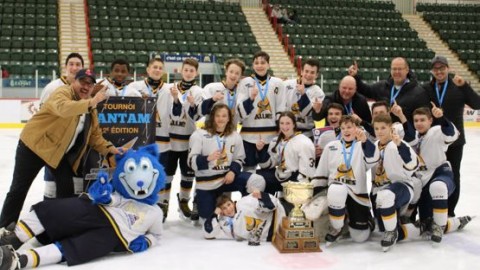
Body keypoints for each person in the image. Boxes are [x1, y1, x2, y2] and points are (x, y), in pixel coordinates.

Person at [0, 69, 123, 229]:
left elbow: (95, 137)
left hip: (57, 153)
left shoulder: (90, 110)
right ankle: (4, 228)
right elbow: (63, 108)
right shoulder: (62, 93)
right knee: (19, 189)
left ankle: (60, 226)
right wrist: (92, 102)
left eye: (90, 84)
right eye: (82, 82)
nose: (86, 87)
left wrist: (112, 149)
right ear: (74, 82)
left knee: (67, 188)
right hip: (33, 147)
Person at [422, 55, 480, 217]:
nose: (439, 71)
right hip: (434, 142)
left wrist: (465, 86)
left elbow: (477, 104)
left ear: (448, 69)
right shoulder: (427, 88)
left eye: (442, 68)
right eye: (436, 69)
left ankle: (450, 212)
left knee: (454, 175)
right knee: (431, 175)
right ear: (432, 71)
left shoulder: (458, 86)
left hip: (455, 142)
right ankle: (432, 210)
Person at [188, 103, 266, 223]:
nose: (220, 119)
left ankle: (244, 211)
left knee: (257, 180)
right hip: (207, 183)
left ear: (229, 118)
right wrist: (207, 158)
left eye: (224, 116)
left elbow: (239, 158)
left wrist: (233, 172)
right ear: (212, 117)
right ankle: (201, 201)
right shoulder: (199, 135)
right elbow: (190, 161)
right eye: (217, 116)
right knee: (207, 222)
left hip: (226, 178)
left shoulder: (235, 136)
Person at [314, 115, 375, 246]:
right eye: (343, 128)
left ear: (356, 128)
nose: (346, 130)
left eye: (349, 127)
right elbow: (321, 172)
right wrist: (315, 192)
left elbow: (373, 160)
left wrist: (365, 141)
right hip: (335, 190)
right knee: (337, 189)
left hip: (357, 194)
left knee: (360, 237)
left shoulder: (362, 145)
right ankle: (337, 227)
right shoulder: (331, 146)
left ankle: (363, 219)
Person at [127, 56, 173, 220]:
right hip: (142, 142)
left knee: (161, 175)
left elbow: (176, 114)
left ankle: (161, 205)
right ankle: (139, 206)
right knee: (141, 174)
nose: (157, 70)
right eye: (154, 67)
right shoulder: (134, 87)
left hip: (163, 142)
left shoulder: (170, 89)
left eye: (160, 67)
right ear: (147, 69)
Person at [365, 114, 419, 252]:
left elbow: (413, 165)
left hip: (402, 186)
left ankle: (391, 232)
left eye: (383, 128)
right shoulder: (374, 146)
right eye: (376, 128)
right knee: (383, 227)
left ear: (391, 128)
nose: (380, 131)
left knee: (386, 196)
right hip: (379, 191)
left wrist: (400, 145)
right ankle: (421, 227)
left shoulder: (399, 144)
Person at [38, 53, 84, 200]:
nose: (74, 67)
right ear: (65, 67)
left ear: (82, 68)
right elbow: (42, 117)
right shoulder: (52, 88)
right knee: (52, 186)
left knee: (75, 187)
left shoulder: (86, 89)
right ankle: (49, 214)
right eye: (71, 64)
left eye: (78, 64)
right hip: (54, 144)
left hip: (76, 145)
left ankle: (71, 217)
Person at [237, 51, 286, 172]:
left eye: (263, 62)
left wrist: (280, 127)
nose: (259, 65)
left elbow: (281, 107)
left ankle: (266, 192)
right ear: (253, 66)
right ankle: (249, 192)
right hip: (248, 135)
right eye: (256, 63)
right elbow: (240, 111)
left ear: (268, 65)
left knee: (269, 170)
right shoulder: (245, 82)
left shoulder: (278, 83)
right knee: (248, 171)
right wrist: (251, 99)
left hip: (271, 136)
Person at [168, 58, 203, 220]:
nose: (188, 73)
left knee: (187, 175)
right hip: (170, 140)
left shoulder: (198, 91)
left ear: (196, 73)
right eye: (186, 70)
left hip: (188, 139)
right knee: (168, 175)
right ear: (181, 70)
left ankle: (184, 202)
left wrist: (193, 106)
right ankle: (163, 204)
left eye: (192, 71)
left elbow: (198, 117)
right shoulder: (170, 88)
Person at [348, 57, 430, 123]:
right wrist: (355, 76)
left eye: (400, 69)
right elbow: (366, 90)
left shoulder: (418, 92)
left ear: (407, 70)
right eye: (394, 69)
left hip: (404, 136)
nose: (397, 72)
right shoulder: (382, 86)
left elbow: (422, 117)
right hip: (382, 132)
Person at [256, 111, 315, 196]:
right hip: (279, 175)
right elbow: (267, 165)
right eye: (282, 123)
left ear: (294, 124)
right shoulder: (275, 141)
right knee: (255, 178)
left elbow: (308, 171)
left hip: (295, 179)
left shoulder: (304, 142)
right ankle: (268, 205)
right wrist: (260, 151)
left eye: (288, 123)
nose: (284, 126)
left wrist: (301, 188)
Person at [203, 191, 285, 245]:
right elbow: (208, 233)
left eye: (228, 204)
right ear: (222, 212)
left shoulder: (243, 202)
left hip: (280, 216)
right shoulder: (223, 224)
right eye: (224, 208)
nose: (228, 209)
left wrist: (262, 197)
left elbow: (272, 205)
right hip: (275, 236)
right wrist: (214, 214)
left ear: (233, 203)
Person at [284, 58, 325, 139]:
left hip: (306, 134)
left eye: (312, 72)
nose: (309, 75)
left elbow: (304, 112)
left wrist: (303, 93)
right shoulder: (286, 84)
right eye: (306, 71)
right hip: (286, 131)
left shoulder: (318, 92)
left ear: (316, 75)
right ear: (301, 71)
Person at [200, 58, 245, 125]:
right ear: (226, 72)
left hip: (231, 131)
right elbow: (202, 110)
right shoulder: (211, 88)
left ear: (240, 76)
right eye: (231, 71)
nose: (233, 75)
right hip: (212, 131)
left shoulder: (241, 93)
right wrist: (212, 100)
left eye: (237, 73)